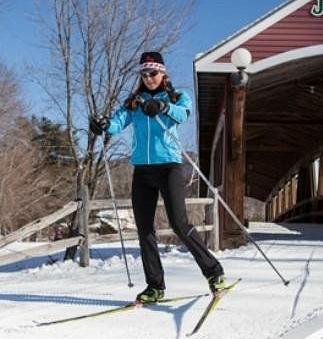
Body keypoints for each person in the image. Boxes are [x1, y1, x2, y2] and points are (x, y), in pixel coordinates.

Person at [90, 51, 226, 303]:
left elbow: (182, 114)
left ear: (163, 73)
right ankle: (155, 286)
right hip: (142, 170)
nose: (149, 77)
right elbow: (117, 124)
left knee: (179, 223)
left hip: (169, 168)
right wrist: (102, 125)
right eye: (144, 73)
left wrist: (163, 106)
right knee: (144, 230)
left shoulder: (176, 97)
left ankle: (214, 272)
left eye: (153, 72)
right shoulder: (134, 102)